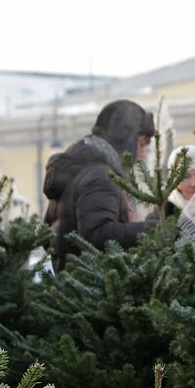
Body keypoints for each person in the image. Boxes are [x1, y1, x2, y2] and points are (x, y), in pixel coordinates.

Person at [42, 99, 155, 269]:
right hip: (93, 287)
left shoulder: (78, 168)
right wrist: (154, 230)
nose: (141, 153)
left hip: (71, 285)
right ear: (124, 137)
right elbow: (98, 235)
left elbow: (47, 236)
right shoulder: (99, 176)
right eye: (140, 144)